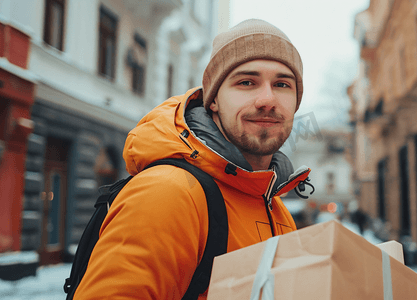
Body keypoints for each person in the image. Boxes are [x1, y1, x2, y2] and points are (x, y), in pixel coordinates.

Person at [74, 19, 311, 300]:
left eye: (282, 84)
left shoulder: (274, 206)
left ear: (296, 102)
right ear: (213, 100)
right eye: (246, 82)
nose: (267, 99)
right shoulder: (168, 192)